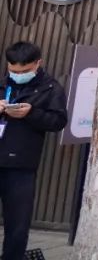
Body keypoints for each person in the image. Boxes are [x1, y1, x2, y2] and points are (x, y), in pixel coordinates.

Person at [0, 41, 67, 260]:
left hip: (21, 164)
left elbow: (58, 121)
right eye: (14, 71)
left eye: (25, 71)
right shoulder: (2, 82)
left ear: (38, 63)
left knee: (17, 225)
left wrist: (31, 113)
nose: (18, 75)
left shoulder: (51, 88)